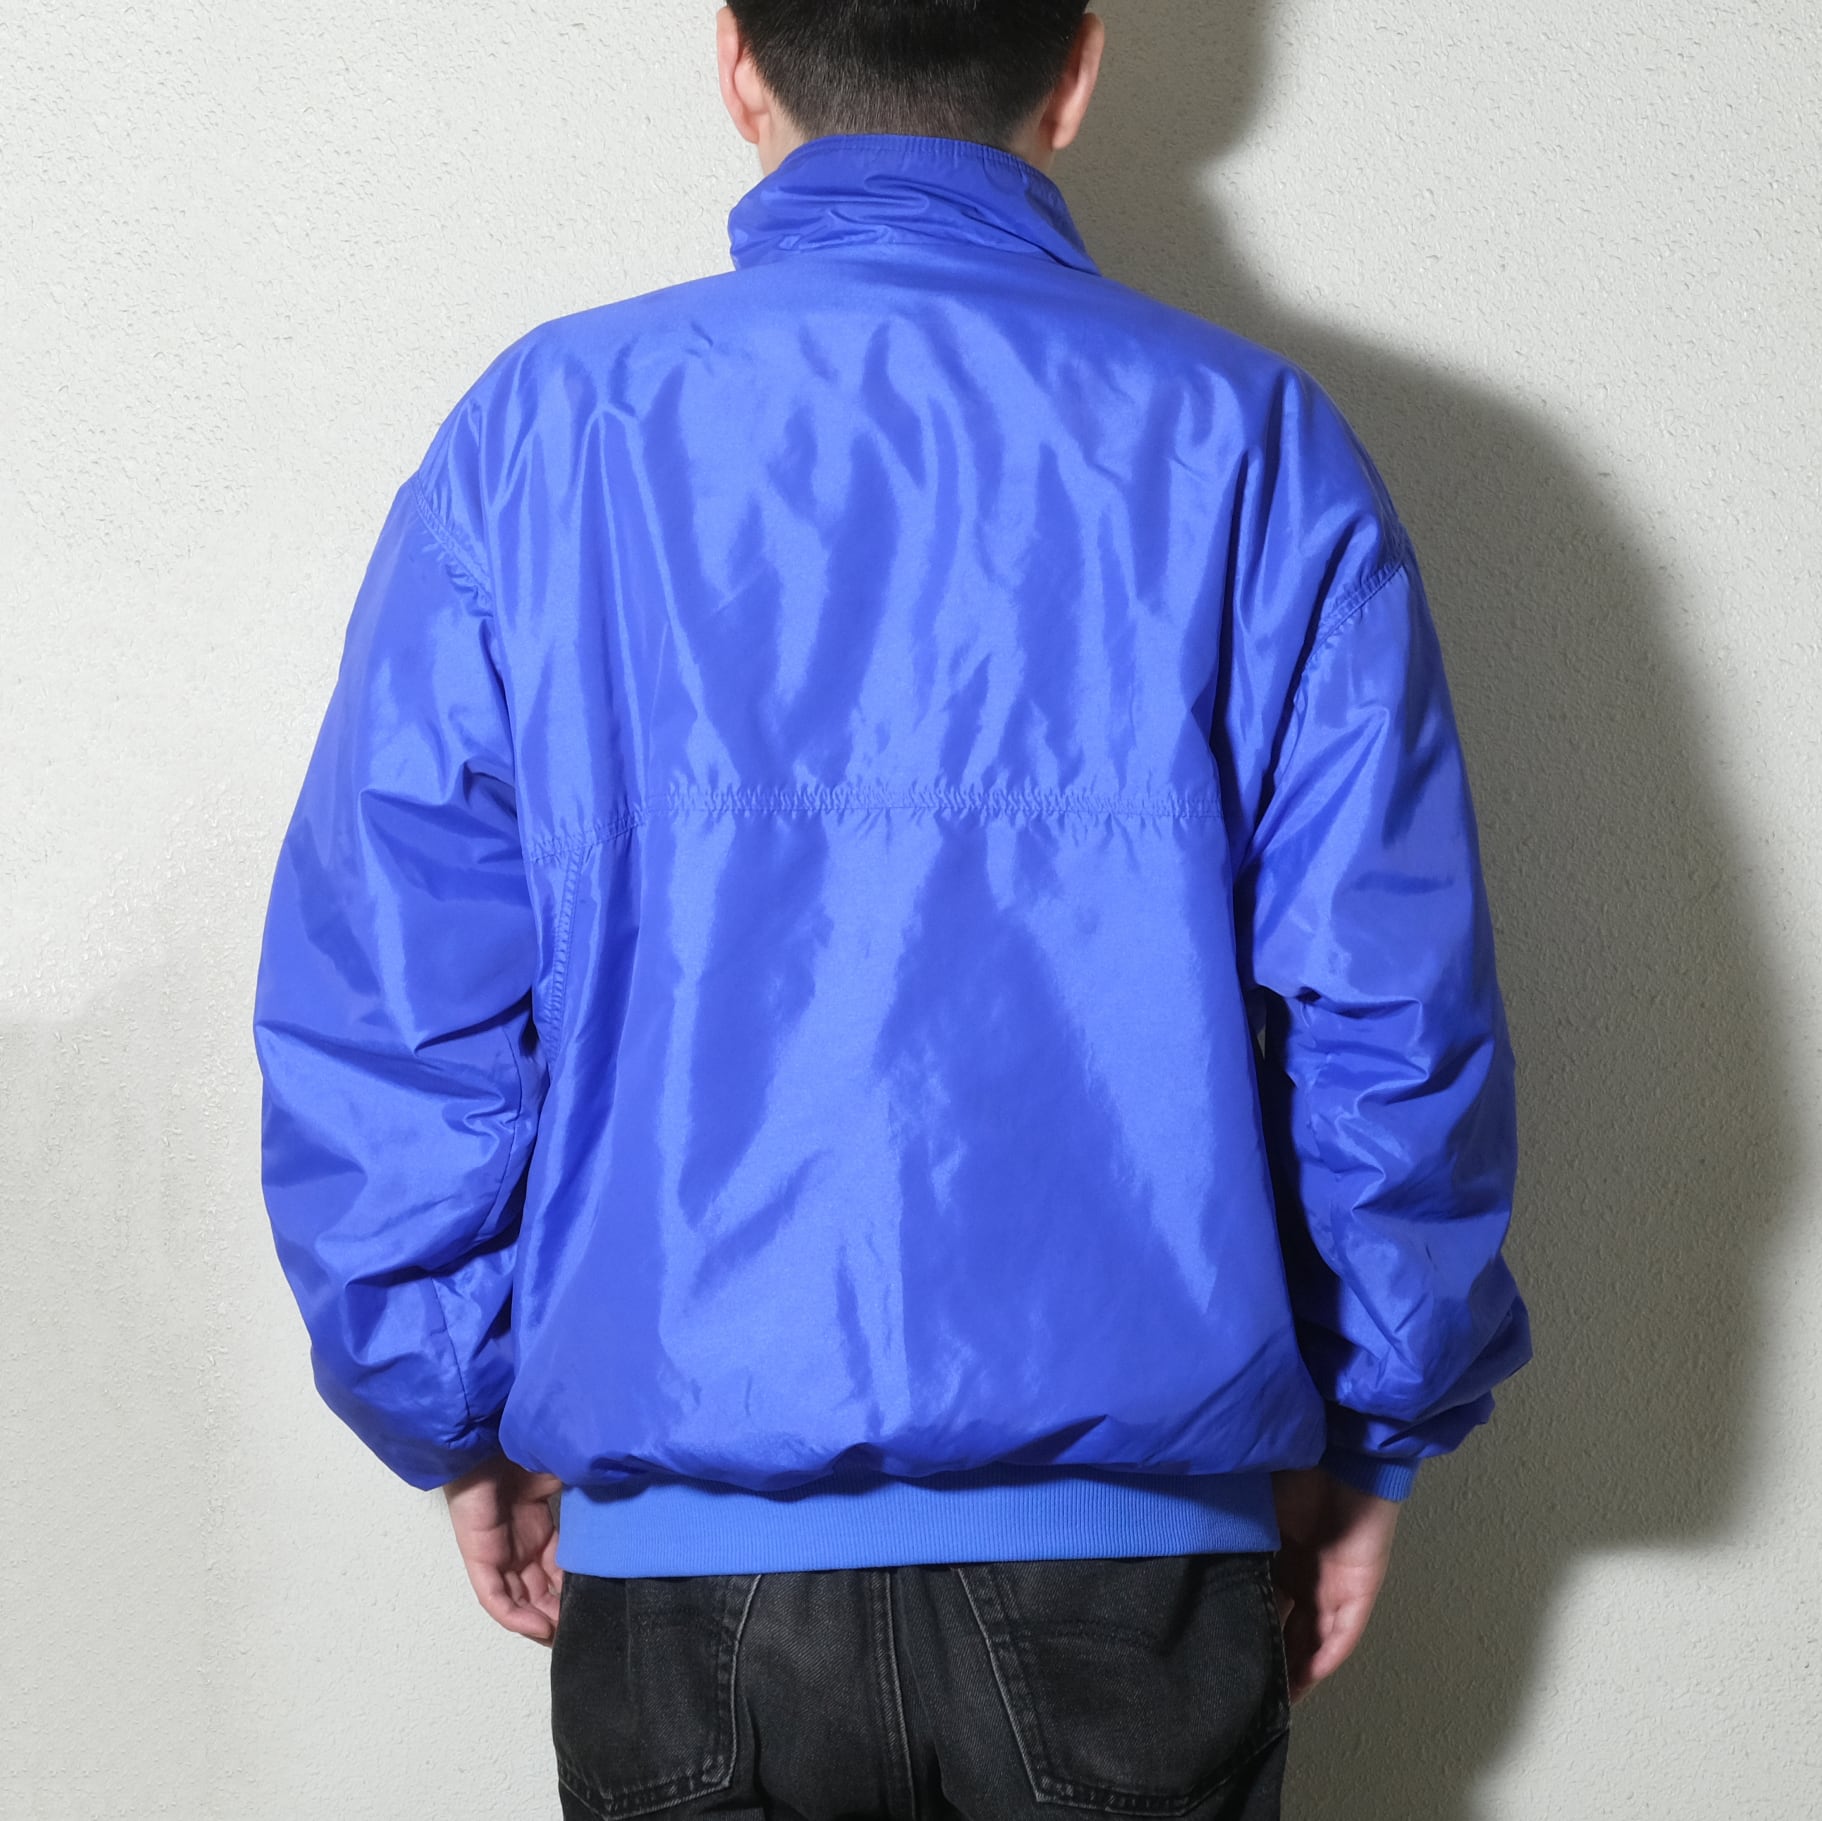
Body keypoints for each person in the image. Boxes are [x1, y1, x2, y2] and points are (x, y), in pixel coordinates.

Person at [251, 4, 1532, 1815]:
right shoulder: (1248, 439)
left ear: (735, 64)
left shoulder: (545, 431)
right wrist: (1378, 1417)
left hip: (685, 1569)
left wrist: (448, 1400)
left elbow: (390, 992)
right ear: (1075, 70)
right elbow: (1387, 997)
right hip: (1133, 1568)